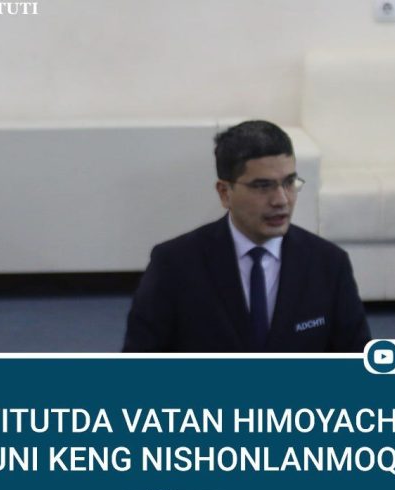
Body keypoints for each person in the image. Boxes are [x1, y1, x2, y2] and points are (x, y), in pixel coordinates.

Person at [123, 120, 370, 352]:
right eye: (263, 186)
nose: (281, 200)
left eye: (289, 182)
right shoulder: (174, 264)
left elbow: (359, 366)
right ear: (224, 193)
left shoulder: (329, 264)